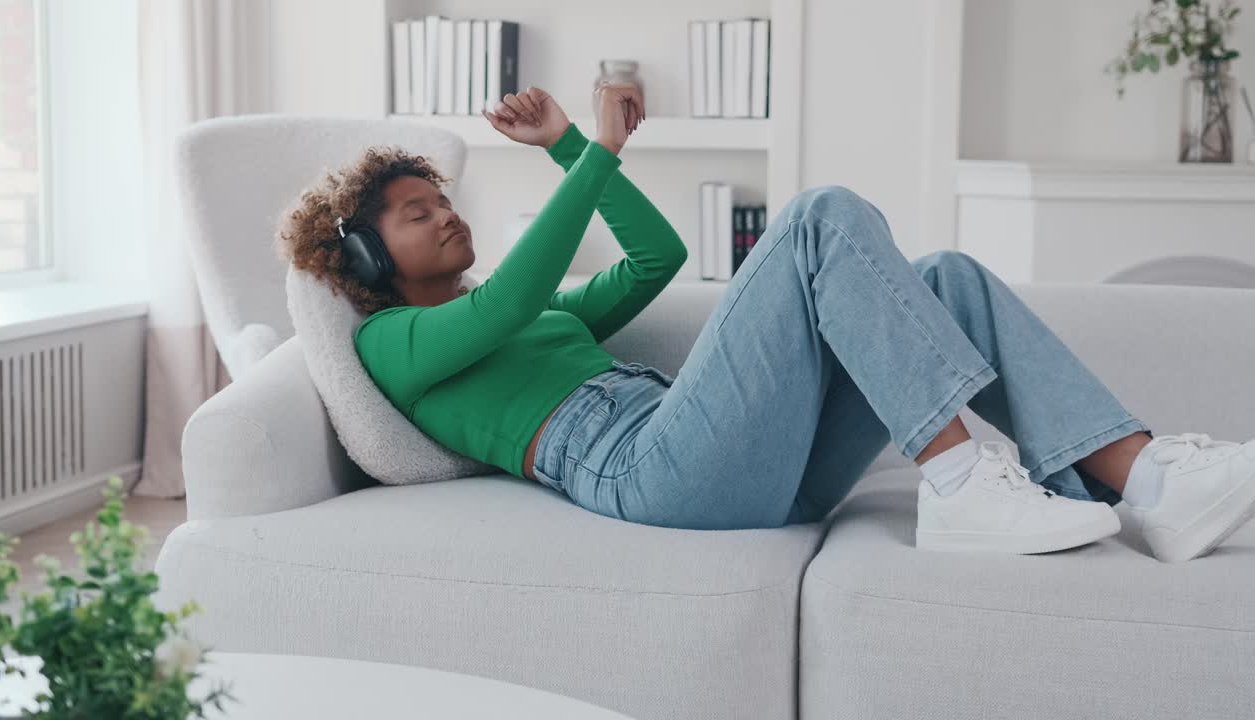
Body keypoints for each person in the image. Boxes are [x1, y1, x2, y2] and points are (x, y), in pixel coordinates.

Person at [275, 82, 1255, 563]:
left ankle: (1146, 479)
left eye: (442, 200)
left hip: (732, 460)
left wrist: (569, 143)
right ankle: (962, 487)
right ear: (368, 260)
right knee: (818, 215)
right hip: (649, 473)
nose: (445, 215)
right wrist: (597, 149)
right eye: (415, 214)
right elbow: (512, 299)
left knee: (946, 279)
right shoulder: (391, 345)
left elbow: (654, 260)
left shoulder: (535, 319)